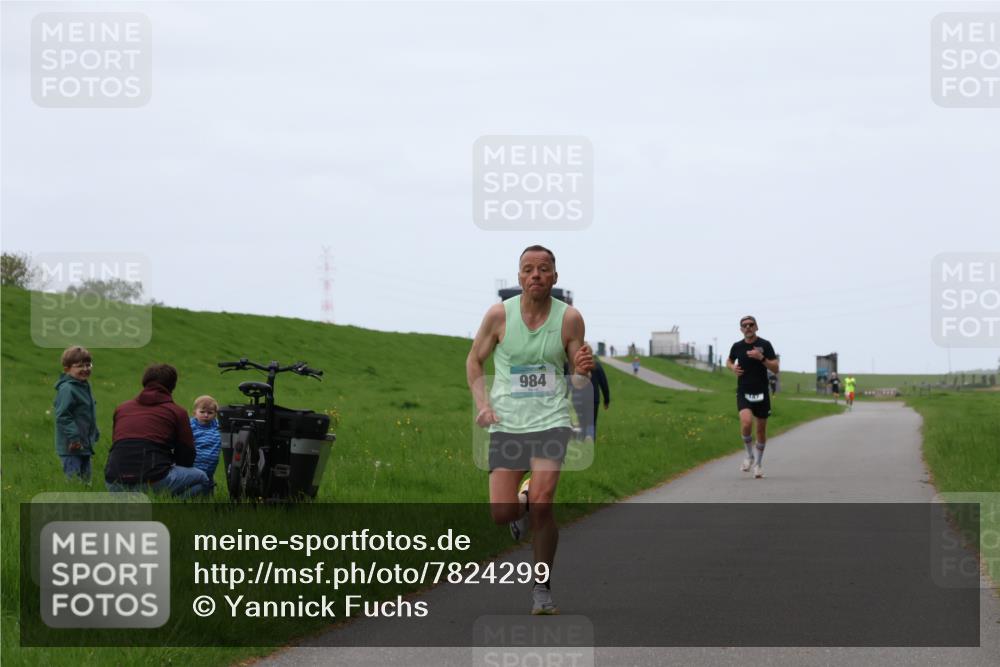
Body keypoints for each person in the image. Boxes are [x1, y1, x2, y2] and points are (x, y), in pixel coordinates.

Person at [467, 245, 594, 615]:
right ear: (519, 277)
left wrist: (584, 371)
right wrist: (483, 404)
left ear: (555, 277)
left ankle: (541, 587)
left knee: (543, 504)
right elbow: (474, 361)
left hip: (551, 422)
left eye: (543, 269)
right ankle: (520, 500)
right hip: (507, 425)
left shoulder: (569, 319)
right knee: (502, 513)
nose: (535, 274)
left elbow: (579, 381)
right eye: (528, 269)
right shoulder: (498, 316)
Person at [105, 364, 210, 498]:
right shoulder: (177, 412)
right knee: (203, 479)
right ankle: (169, 508)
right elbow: (187, 454)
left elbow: (118, 443)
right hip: (153, 479)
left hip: (114, 482)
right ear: (172, 385)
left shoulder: (121, 409)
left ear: (145, 382)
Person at [726, 315, 779, 479]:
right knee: (746, 422)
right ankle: (749, 455)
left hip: (762, 391)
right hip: (744, 391)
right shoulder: (737, 346)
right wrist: (732, 368)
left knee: (761, 429)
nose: (748, 327)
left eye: (751, 324)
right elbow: (728, 360)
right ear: (741, 329)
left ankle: (758, 464)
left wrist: (761, 358)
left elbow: (776, 368)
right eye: (744, 325)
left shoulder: (765, 344)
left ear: (756, 327)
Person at [53, 346, 100, 483]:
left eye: (88, 365)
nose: (85, 369)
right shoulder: (67, 388)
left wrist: (94, 431)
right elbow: (63, 415)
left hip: (84, 444)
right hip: (71, 446)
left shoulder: (84, 386)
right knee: (74, 483)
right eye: (80, 366)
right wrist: (74, 438)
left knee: (86, 483)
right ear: (67, 369)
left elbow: (86, 413)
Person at [571, 357, 610, 441]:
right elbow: (603, 383)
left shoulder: (575, 365)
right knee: (592, 421)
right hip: (593, 398)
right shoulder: (596, 366)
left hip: (578, 398)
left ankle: (583, 438)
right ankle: (590, 438)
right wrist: (606, 400)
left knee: (582, 421)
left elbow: (568, 381)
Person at [190, 395, 221, 489]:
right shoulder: (190, 426)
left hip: (211, 467)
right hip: (194, 466)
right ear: (195, 413)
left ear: (215, 414)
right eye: (202, 412)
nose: (206, 415)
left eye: (210, 412)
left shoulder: (218, 427)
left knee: (208, 492)